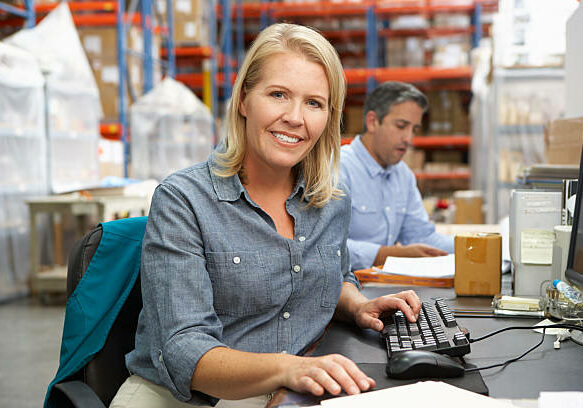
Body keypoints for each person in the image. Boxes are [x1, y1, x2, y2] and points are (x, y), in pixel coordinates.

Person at [110, 24, 421, 408]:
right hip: (183, 397)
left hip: (288, 389)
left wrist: (357, 306)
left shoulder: (331, 201)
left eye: (314, 103)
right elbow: (185, 349)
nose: (295, 117)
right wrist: (287, 370)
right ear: (243, 100)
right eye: (278, 95)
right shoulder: (183, 200)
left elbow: (333, 276)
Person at [340, 81, 454, 271]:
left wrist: (476, 246)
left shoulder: (403, 175)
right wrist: (388, 254)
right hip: (342, 290)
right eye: (401, 126)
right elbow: (324, 247)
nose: (409, 139)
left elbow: (421, 237)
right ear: (372, 122)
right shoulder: (338, 169)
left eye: (414, 130)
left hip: (382, 286)